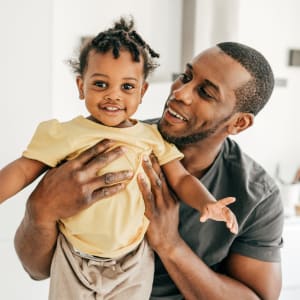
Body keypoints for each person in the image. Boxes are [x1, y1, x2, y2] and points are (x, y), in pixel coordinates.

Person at [14, 41, 284, 299]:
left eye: (206, 92)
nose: (180, 93)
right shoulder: (109, 143)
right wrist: (40, 211)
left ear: (239, 123)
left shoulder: (258, 196)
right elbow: (36, 270)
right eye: (185, 76)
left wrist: (170, 244)